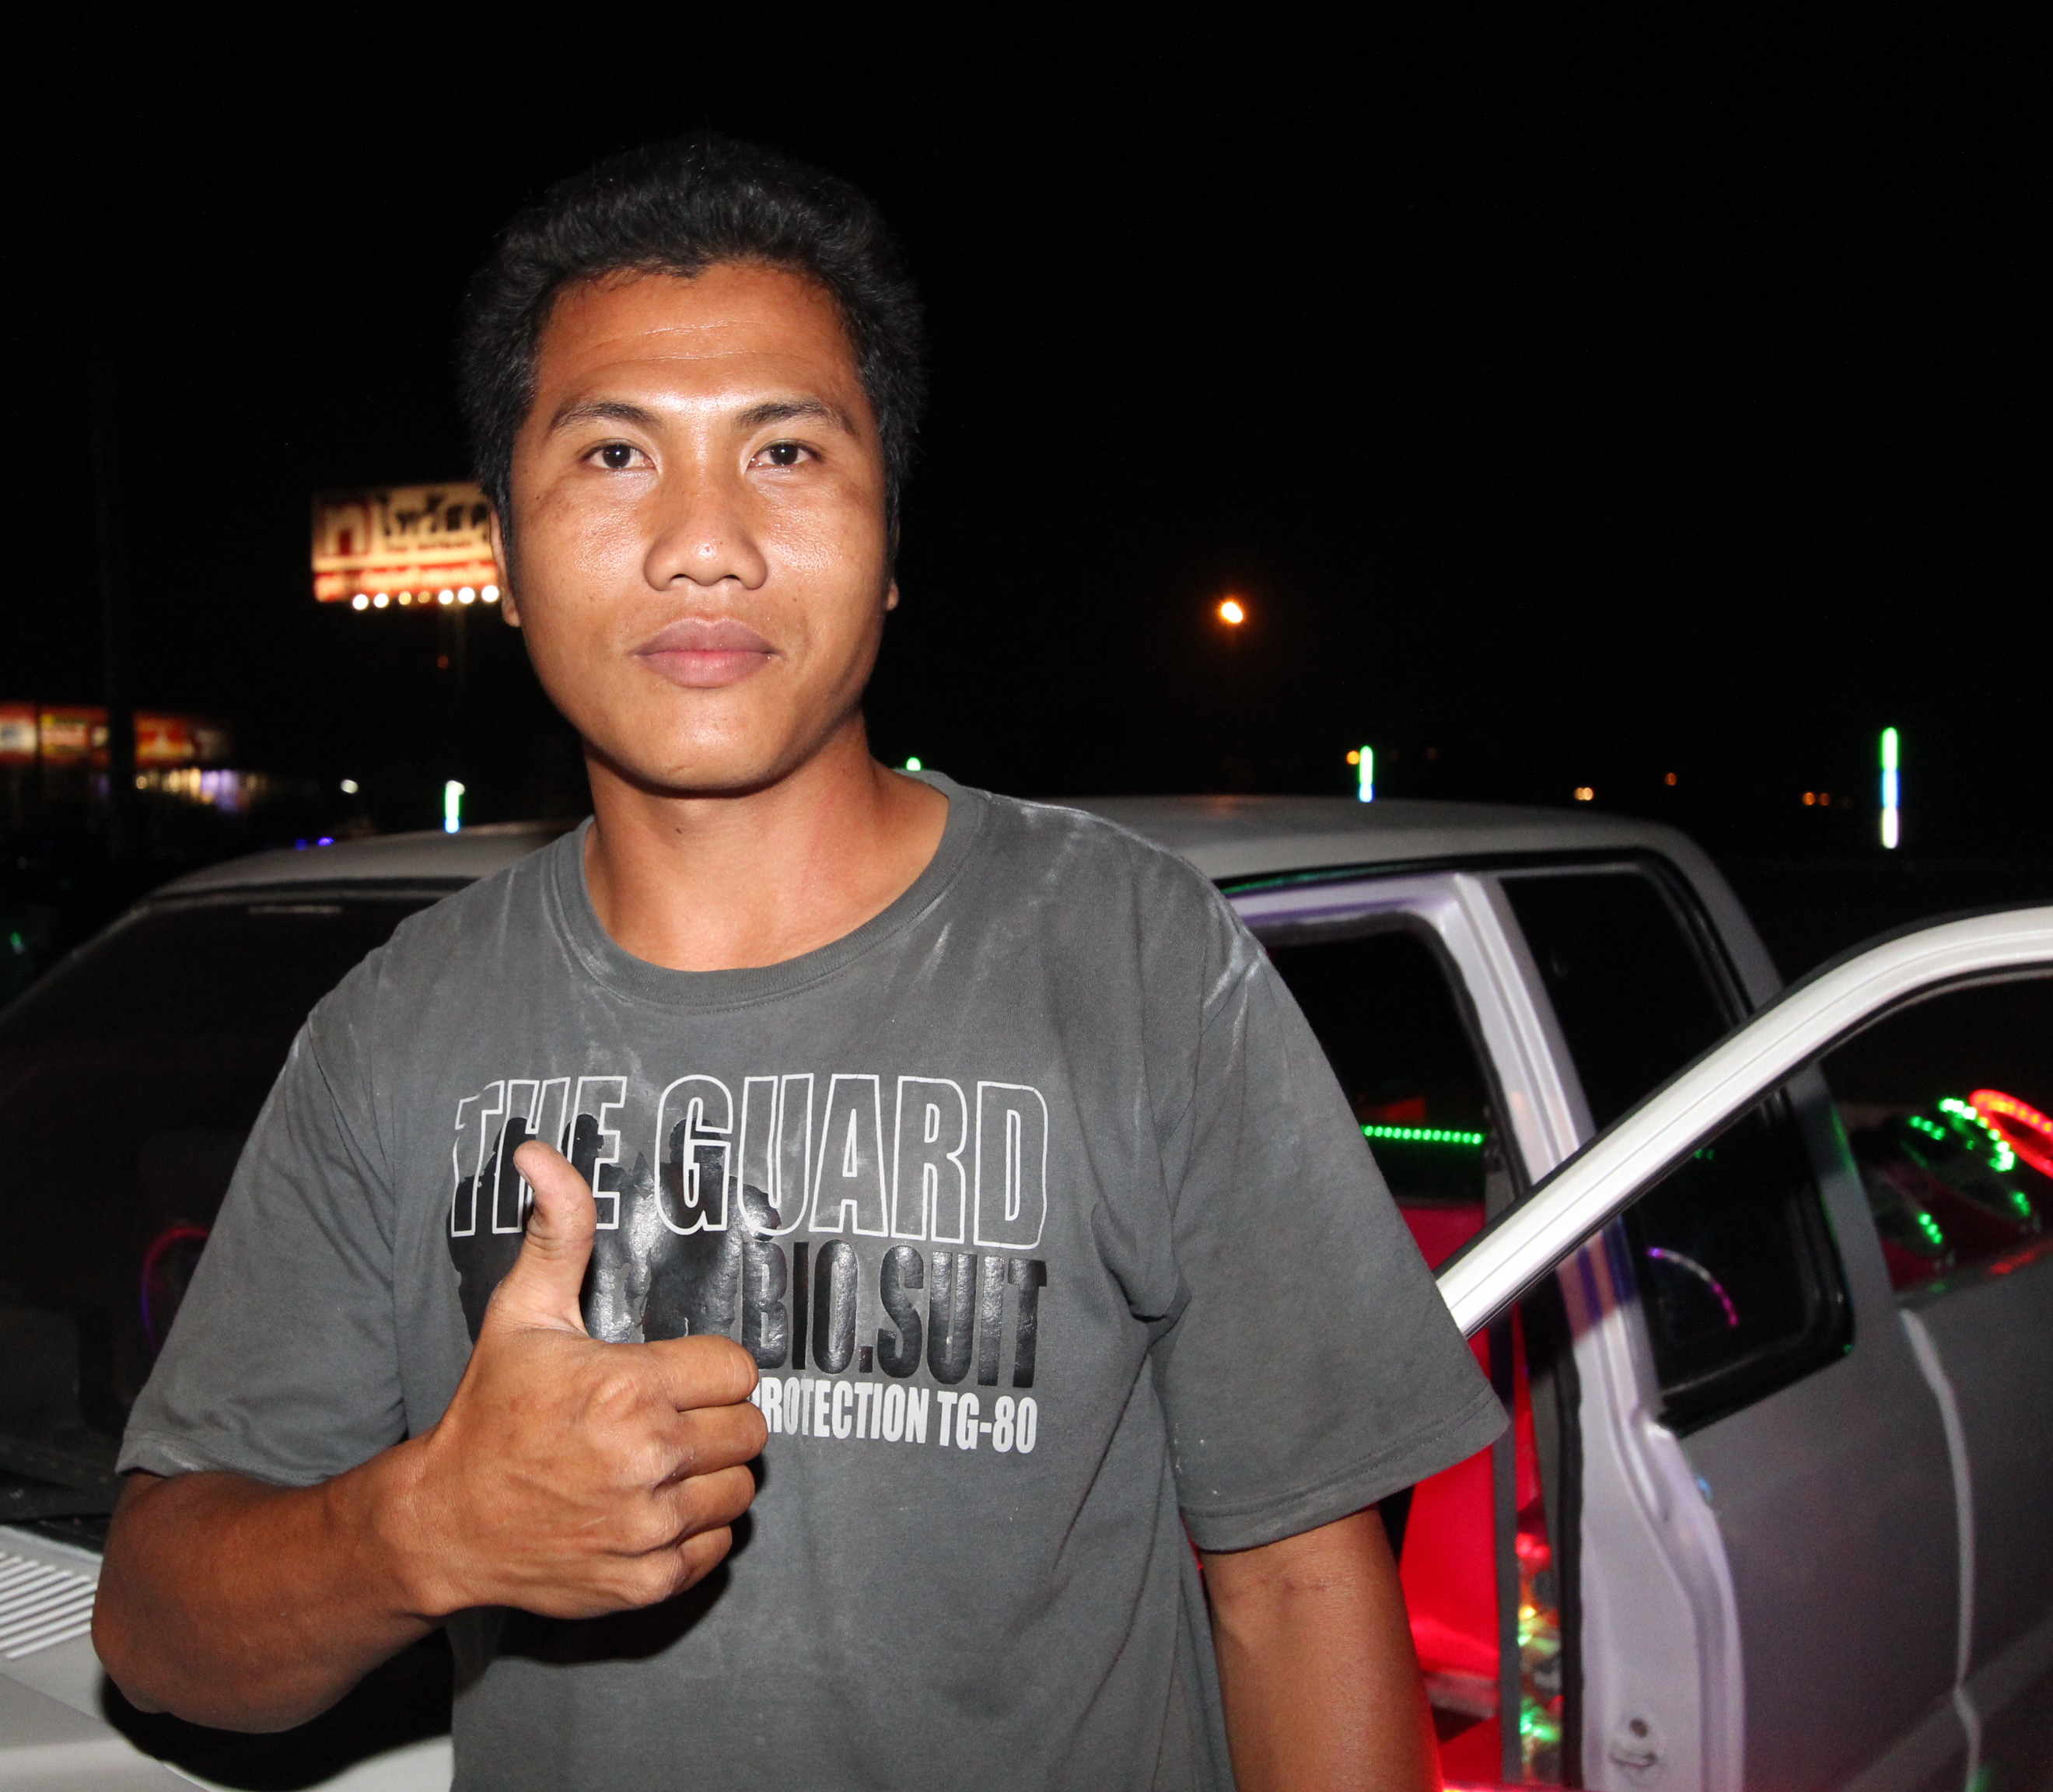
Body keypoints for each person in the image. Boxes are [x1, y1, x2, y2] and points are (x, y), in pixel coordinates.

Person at [94, 134, 1504, 1790]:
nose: (705, 542)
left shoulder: (1133, 959)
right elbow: (158, 1628)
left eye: (784, 452)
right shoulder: (394, 1033)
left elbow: (1298, 1593)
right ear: (507, 556)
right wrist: (420, 1527)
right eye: (615, 453)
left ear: (891, 539)